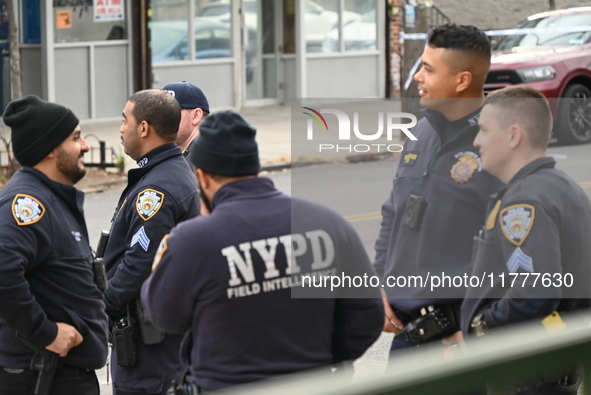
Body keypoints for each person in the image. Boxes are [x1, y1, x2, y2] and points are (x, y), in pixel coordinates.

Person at [140, 111, 384, 392]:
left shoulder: (192, 241)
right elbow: (367, 316)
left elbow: (164, 315)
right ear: (256, 169)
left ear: (203, 178)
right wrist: (315, 362)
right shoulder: (328, 223)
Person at [374, 23, 503, 350]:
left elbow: (519, 246)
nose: (418, 77)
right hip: (407, 332)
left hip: (458, 336)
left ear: (462, 81)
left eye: (428, 70)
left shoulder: (501, 145)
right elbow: (394, 214)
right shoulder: (419, 132)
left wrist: (480, 328)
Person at [460, 86, 591, 394]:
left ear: (513, 135)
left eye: (483, 130)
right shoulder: (563, 187)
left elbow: (535, 293)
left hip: (526, 375)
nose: (476, 141)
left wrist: (482, 327)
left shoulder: (525, 202)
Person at [0, 95, 109, 394]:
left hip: (63, 375)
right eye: (75, 138)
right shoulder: (28, 204)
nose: (86, 146)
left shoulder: (50, 198)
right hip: (43, 376)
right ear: (50, 148)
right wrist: (45, 333)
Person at [103, 89, 199, 394]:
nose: (121, 128)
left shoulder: (157, 189)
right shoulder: (169, 171)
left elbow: (139, 264)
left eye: (125, 120)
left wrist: (101, 305)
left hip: (151, 349)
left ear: (144, 128)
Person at [162, 81, 210, 157]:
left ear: (196, 116)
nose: (161, 119)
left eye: (170, 112)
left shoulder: (206, 159)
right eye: (160, 113)